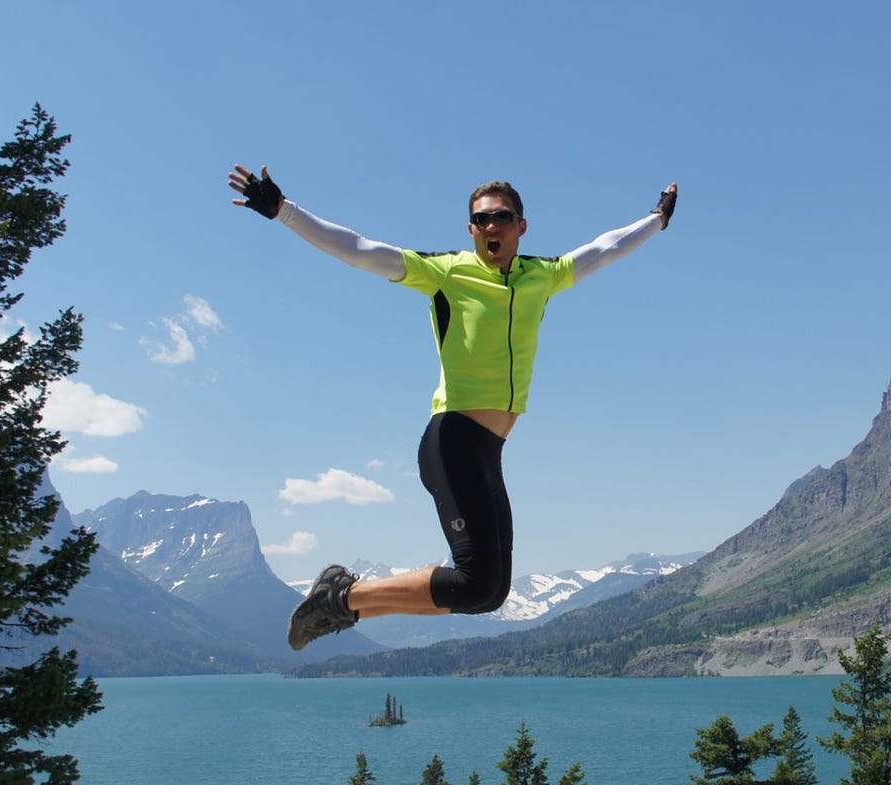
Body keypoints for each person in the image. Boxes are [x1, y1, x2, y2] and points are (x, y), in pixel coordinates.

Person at [227, 164, 677, 650]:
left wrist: (656, 220)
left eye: (501, 217)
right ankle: (343, 596)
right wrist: (283, 210)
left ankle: (342, 602)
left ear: (521, 226)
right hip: (453, 441)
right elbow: (360, 251)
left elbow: (605, 249)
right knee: (475, 580)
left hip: (487, 452)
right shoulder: (446, 273)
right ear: (470, 230)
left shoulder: (542, 277)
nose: (491, 227)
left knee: (488, 594)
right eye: (480, 220)